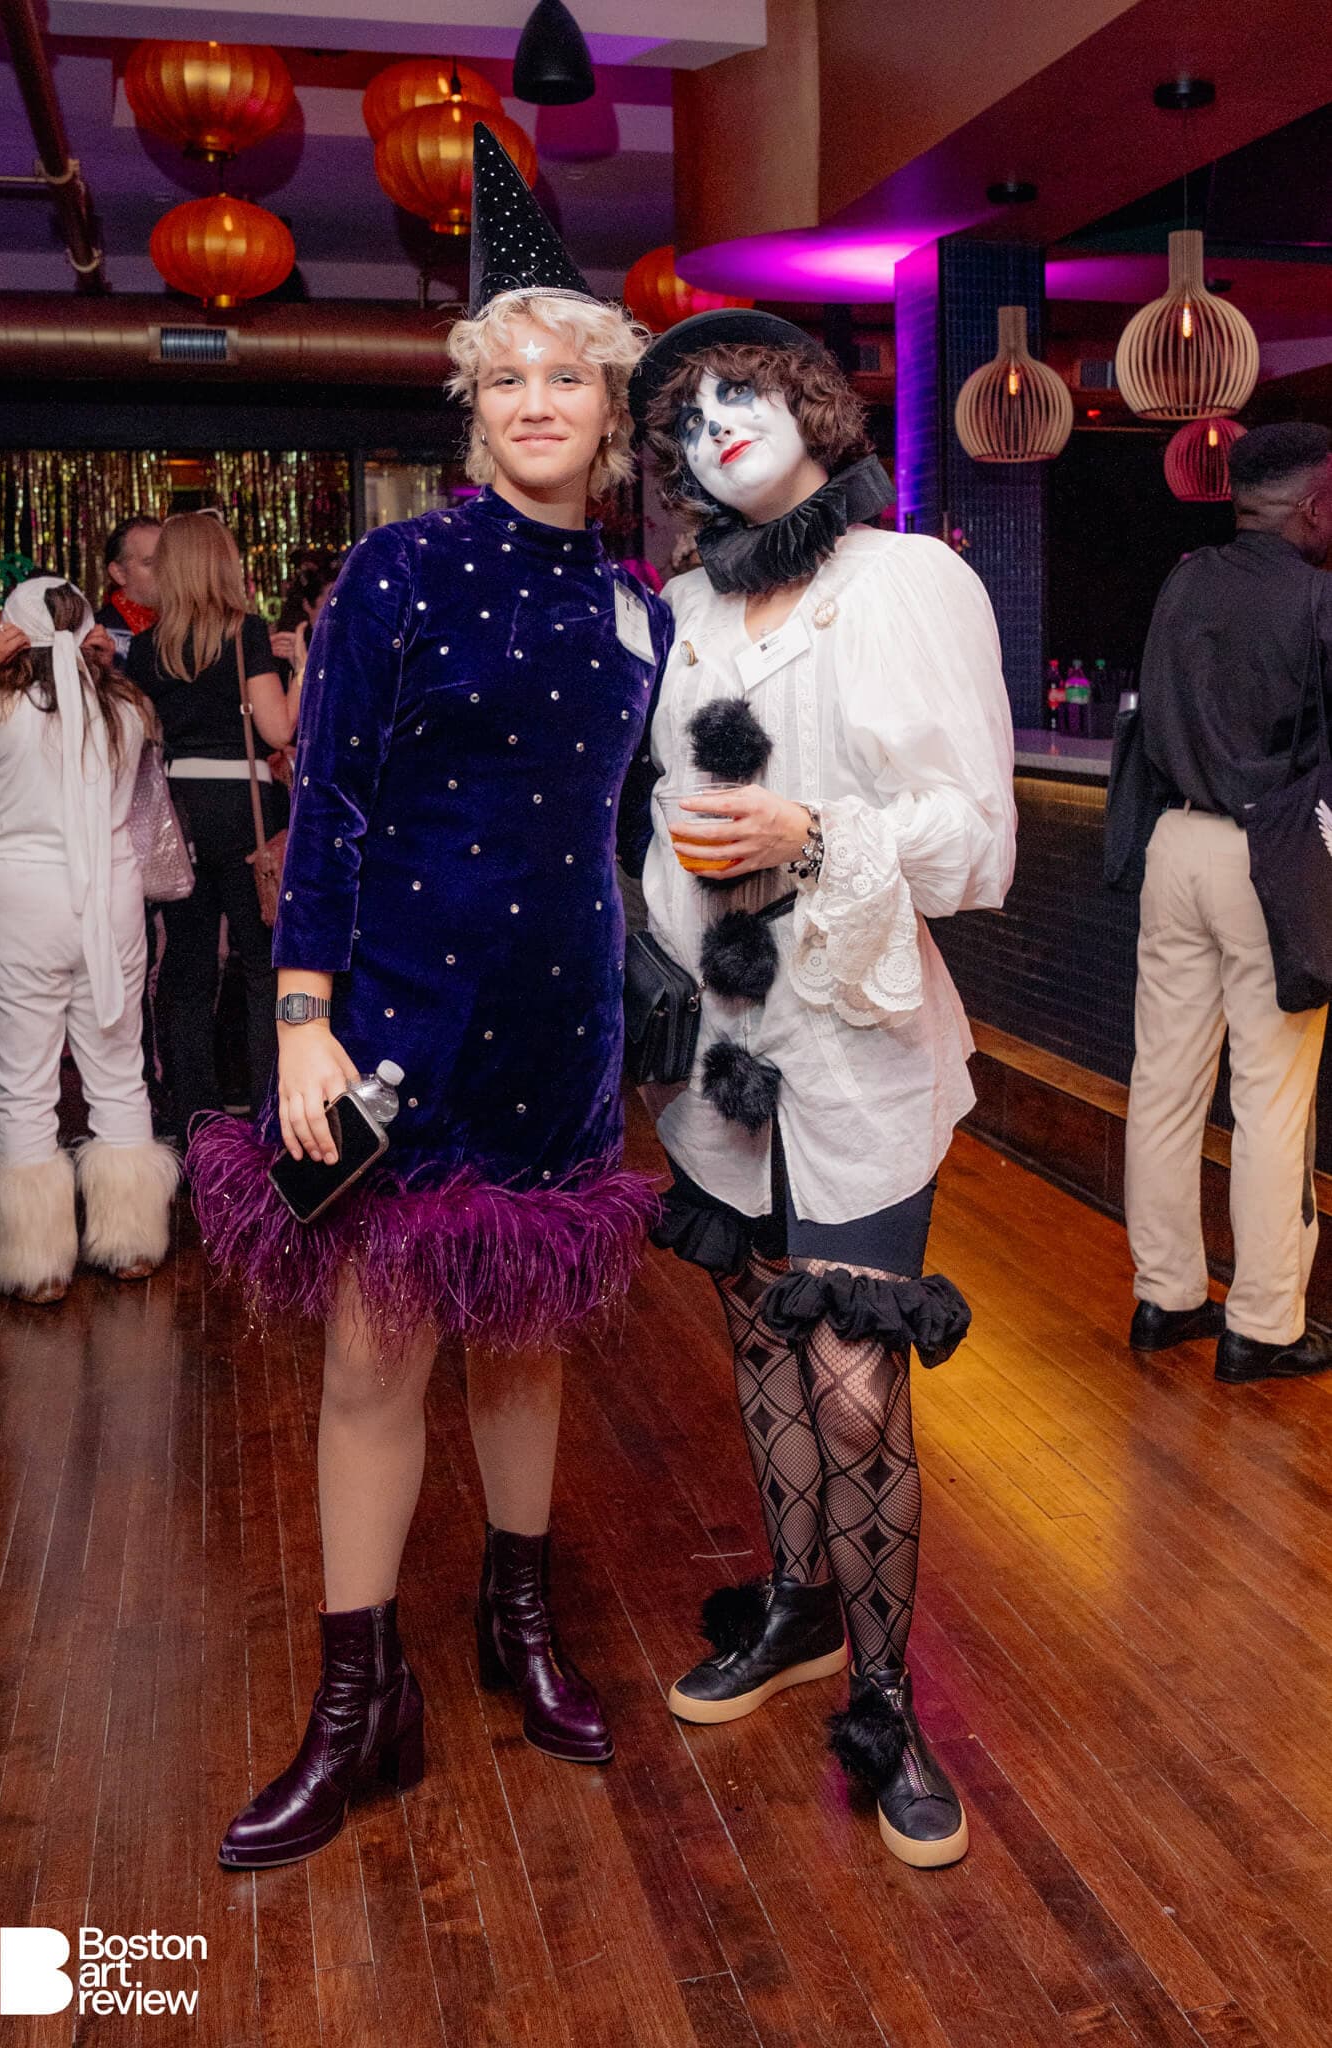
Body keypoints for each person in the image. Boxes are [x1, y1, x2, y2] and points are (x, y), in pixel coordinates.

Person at [187, 125, 670, 1872]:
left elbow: (634, 822)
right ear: (474, 410)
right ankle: (356, 1701)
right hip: (391, 1017)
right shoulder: (398, 571)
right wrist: (300, 1015)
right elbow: (328, 802)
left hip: (563, 1023)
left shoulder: (638, 611)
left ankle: (515, 1628)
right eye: (508, 376)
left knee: (526, 1342)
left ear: (608, 415)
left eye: (568, 376)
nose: (538, 401)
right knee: (376, 1350)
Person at [628, 309, 1016, 1869]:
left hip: (858, 1035)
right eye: (686, 415)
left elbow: (976, 843)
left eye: (743, 393)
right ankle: (794, 1607)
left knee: (855, 1386)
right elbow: (659, 817)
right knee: (757, 1337)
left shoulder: (904, 582)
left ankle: (885, 1702)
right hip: (726, 1042)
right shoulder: (683, 607)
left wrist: (813, 836)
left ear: (813, 407)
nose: (714, 424)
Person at [1124, 421, 1332, 1385]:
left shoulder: (1182, 582)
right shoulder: (1318, 600)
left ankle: (1165, 1298)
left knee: (1164, 1087)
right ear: (1312, 506)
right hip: (1269, 860)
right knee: (1270, 1100)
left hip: (1175, 847)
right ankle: (1263, 1325)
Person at [0, 576, 180, 1302]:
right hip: (111, 903)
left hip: (19, 904)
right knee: (118, 1068)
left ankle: (38, 1265)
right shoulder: (126, 709)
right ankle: (131, 1242)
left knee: (23, 1081)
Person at [126, 513, 301, 1145]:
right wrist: (302, 669)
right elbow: (279, 731)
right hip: (247, 810)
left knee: (188, 970)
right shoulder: (246, 631)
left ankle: (196, 1122)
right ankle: (268, 1120)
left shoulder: (147, 647)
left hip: (180, 814)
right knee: (261, 969)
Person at [95, 514, 163, 668]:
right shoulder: (98, 635)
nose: (164, 569)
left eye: (168, 560)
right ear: (119, 573)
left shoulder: (187, 625)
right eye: (150, 563)